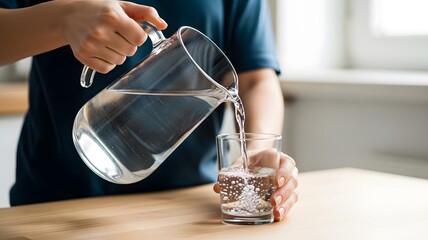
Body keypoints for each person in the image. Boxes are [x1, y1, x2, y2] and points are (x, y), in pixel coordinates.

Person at [0, 0, 298, 221]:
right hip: (53, 209)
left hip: (184, 211)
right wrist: (62, 20)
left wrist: (256, 158)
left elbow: (256, 79)